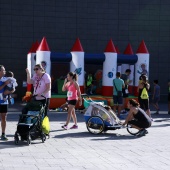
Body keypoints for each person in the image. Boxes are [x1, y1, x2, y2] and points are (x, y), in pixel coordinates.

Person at [0, 65, 15, 140]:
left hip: (4, 102)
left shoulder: (6, 79)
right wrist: (5, 84)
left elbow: (13, 88)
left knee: (4, 117)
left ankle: (3, 134)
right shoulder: (4, 81)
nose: (4, 72)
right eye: (3, 70)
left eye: (4, 70)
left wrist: (9, 91)